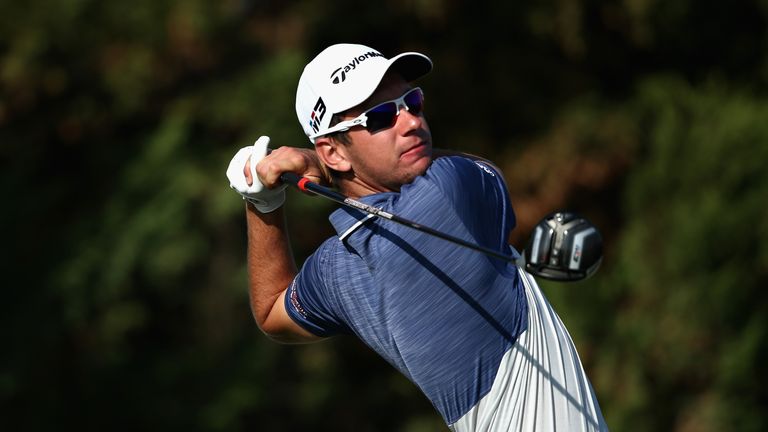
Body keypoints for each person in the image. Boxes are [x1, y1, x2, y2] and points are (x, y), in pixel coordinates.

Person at [226, 43, 609, 431]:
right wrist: (317, 171)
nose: (411, 121)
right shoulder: (450, 192)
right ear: (333, 153)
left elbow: (272, 310)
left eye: (412, 101)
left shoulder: (334, 268)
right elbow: (484, 168)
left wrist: (262, 202)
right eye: (379, 118)